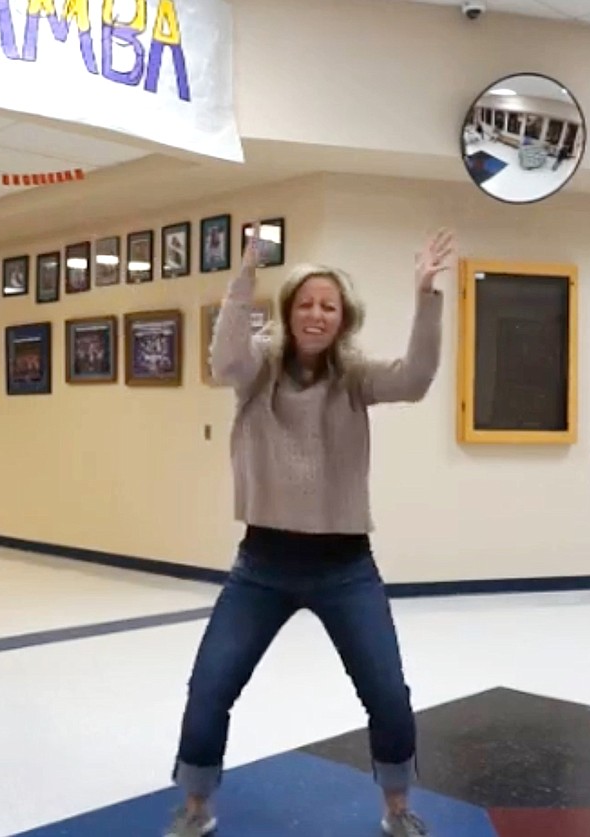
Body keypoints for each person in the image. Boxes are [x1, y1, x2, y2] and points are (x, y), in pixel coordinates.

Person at [164, 225, 454, 837]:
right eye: (305, 303)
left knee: (387, 693)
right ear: (290, 310)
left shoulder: (356, 379)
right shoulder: (254, 377)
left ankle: (398, 808)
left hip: (344, 567)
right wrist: (244, 276)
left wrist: (426, 295)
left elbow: (418, 377)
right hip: (261, 567)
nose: (316, 314)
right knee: (211, 685)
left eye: (329, 306)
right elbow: (223, 357)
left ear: (342, 319)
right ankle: (194, 808)